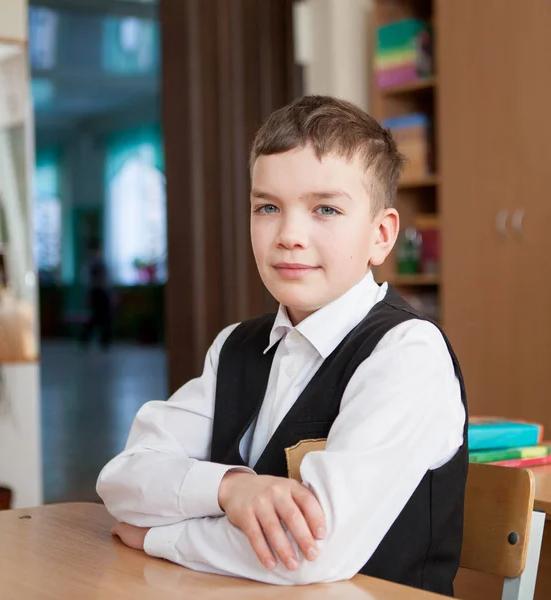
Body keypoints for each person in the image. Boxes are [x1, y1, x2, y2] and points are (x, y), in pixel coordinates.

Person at [96, 96, 467, 594]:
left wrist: (158, 537)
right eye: (268, 207)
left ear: (381, 235)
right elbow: (123, 481)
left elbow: (309, 555)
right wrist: (231, 489)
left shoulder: (406, 354)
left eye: (326, 209)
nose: (290, 235)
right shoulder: (235, 347)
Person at [80, 240, 112, 349]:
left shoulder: (101, 262)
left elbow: (107, 278)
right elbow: (86, 279)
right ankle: (86, 338)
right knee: (96, 317)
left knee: (104, 317)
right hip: (95, 292)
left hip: (103, 291)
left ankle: (104, 341)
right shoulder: (90, 263)